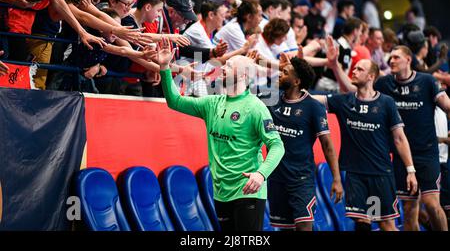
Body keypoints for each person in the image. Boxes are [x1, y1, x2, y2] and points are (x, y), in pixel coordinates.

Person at [157, 38, 285, 231]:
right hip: (221, 192)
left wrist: (261, 174)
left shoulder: (256, 107)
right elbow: (174, 101)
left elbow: (277, 145)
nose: (223, 67)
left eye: (229, 65)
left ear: (242, 75)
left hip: (248, 190)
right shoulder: (212, 103)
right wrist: (165, 67)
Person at [331, 43, 450, 231]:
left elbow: (448, 106)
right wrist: (335, 65)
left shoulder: (427, 81)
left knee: (432, 204)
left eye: (396, 57)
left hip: (426, 153)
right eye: (390, 57)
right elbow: (354, 90)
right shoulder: (385, 84)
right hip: (400, 156)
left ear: (408, 60)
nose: (391, 60)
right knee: (410, 208)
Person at [315, 39, 418, 231]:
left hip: (379, 174)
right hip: (355, 175)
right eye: (354, 69)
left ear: (371, 76)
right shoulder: (344, 101)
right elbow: (314, 99)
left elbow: (399, 138)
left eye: (359, 69)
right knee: (361, 223)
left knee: (386, 224)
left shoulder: (386, 103)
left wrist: (410, 170)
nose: (354, 71)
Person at [267, 56, 343, 231]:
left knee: (304, 228)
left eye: (284, 73)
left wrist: (336, 179)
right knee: (284, 229)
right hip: (277, 179)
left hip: (301, 180)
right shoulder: (271, 100)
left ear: (296, 81)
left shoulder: (313, 107)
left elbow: (327, 145)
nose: (279, 74)